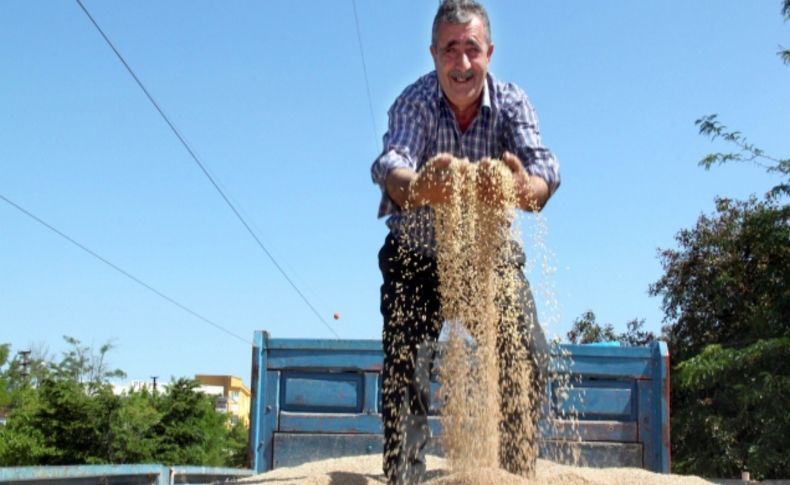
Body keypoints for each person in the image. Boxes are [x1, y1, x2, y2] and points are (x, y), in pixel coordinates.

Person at [370, 1, 560, 483]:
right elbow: (391, 163)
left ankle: (514, 472)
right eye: (450, 49)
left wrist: (522, 190)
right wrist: (418, 189)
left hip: (487, 259)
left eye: (471, 49)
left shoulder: (512, 103)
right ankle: (404, 476)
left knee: (527, 352)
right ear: (433, 53)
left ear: (489, 53)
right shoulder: (414, 102)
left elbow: (544, 173)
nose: (462, 63)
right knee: (405, 367)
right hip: (416, 259)